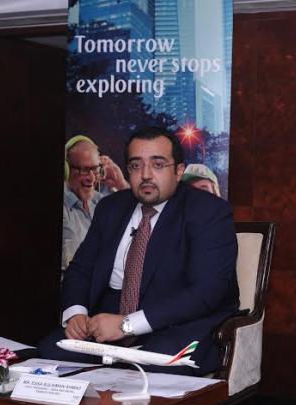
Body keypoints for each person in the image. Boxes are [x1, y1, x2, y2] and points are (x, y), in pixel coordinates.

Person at [41, 127, 239, 376]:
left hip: (177, 323)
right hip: (107, 321)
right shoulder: (111, 208)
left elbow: (206, 292)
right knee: (49, 354)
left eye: (158, 165)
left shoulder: (208, 211)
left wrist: (127, 325)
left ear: (179, 171)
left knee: (153, 369)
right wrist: (76, 314)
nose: (145, 175)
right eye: (136, 166)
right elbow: (81, 269)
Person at [62, 135, 128, 271]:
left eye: (95, 169)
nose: (92, 178)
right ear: (67, 170)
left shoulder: (100, 200)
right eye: (85, 170)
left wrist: (121, 185)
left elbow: (139, 220)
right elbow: (74, 264)